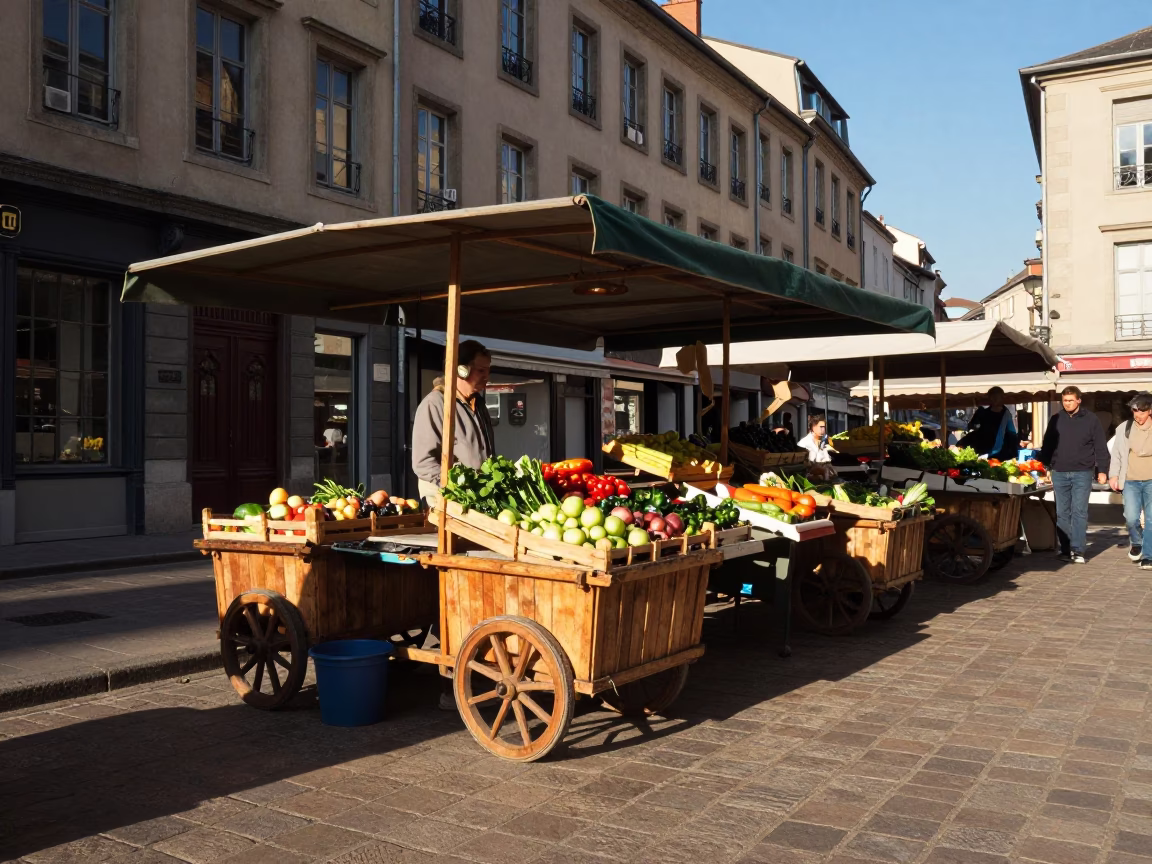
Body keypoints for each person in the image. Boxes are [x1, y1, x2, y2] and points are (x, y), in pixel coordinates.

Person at [412, 340, 495, 504]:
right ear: (461, 371)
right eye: (481, 371)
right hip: (447, 499)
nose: (486, 376)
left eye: (488, 370)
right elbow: (423, 463)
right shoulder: (435, 404)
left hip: (478, 498)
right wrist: (454, 488)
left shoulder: (479, 404)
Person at [1039, 385, 1109, 564]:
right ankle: (1065, 548)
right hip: (1059, 471)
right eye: (1064, 401)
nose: (1067, 403)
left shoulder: (1091, 419)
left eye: (1070, 400)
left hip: (1082, 472)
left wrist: (1102, 470)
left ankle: (1077, 550)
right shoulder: (1056, 419)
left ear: (1079, 400)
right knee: (1062, 512)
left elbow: (1100, 446)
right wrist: (1043, 466)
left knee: (1079, 512)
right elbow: (1048, 444)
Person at [1108, 393, 1152, 568]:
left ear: (1150, 411)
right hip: (1131, 481)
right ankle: (1137, 542)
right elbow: (1117, 455)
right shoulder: (1124, 428)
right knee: (1131, 518)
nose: (1137, 415)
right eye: (1134, 411)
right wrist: (1114, 475)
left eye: (1141, 412)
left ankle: (1148, 555)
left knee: (1151, 519)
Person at [958, 386, 1019, 461]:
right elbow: (973, 428)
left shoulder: (1006, 415)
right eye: (993, 397)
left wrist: (1013, 453)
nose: (995, 399)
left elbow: (1012, 435)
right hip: (983, 451)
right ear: (989, 398)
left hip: (1002, 454)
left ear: (1002, 398)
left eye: (997, 397)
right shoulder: (983, 413)